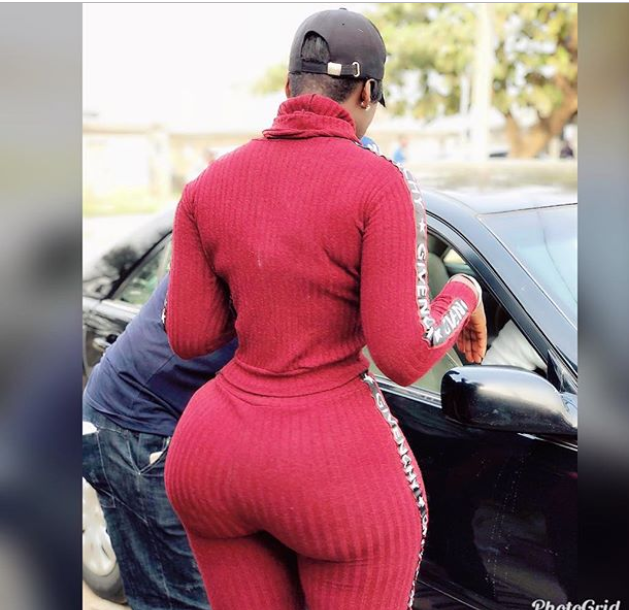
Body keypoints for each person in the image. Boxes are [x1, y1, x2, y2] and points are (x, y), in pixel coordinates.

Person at [163, 9, 487, 610]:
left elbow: (188, 335)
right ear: (367, 93)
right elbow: (404, 354)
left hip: (212, 459)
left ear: (289, 87)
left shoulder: (206, 186)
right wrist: (465, 292)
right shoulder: (380, 183)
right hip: (334, 472)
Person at [82, 275, 237, 610]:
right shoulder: (240, 255)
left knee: (168, 589)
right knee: (178, 597)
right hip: (133, 428)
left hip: (132, 421)